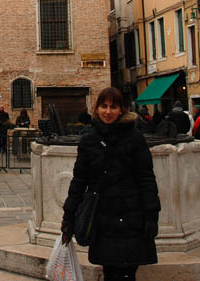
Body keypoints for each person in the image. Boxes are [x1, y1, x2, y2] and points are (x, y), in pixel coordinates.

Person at [61, 87, 160, 281]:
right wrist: (68, 216)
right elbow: (79, 181)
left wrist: (152, 215)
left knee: (128, 273)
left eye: (113, 107)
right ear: (97, 108)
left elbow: (147, 179)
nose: (108, 112)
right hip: (102, 217)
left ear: (121, 109)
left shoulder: (135, 138)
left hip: (132, 215)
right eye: (104, 106)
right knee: (109, 272)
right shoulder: (89, 141)